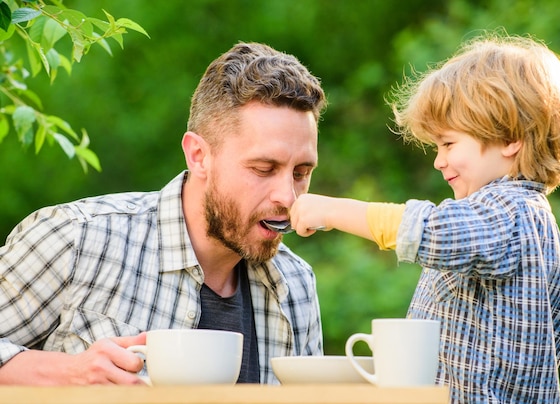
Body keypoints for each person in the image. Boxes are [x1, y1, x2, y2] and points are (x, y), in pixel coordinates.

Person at [0, 42, 327, 385]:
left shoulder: (297, 284)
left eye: (301, 172)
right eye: (263, 168)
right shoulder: (78, 239)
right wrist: (66, 373)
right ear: (199, 156)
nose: (288, 197)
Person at [290, 33, 560, 403]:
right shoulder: (518, 218)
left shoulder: (511, 212)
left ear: (509, 138)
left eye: (448, 144)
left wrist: (331, 210)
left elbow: (429, 231)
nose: (438, 160)